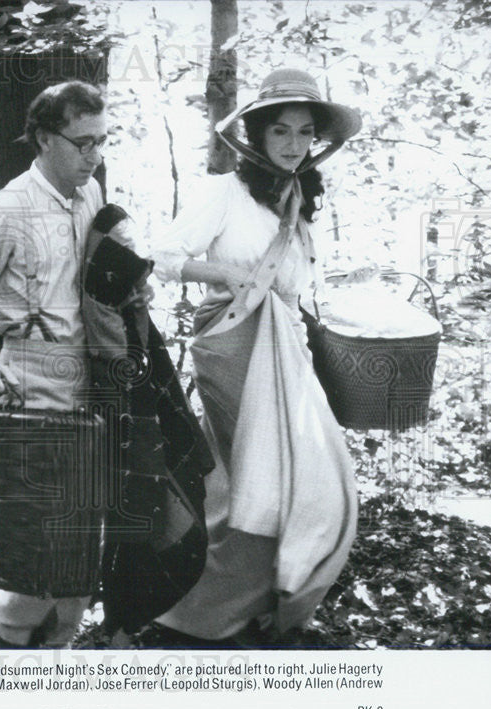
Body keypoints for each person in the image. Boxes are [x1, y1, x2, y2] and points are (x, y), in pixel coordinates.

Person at [147, 68, 362, 644]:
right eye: (281, 132)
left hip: (285, 346)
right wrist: (228, 274)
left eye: (304, 133)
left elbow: (294, 286)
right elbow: (163, 255)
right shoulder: (224, 192)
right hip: (233, 342)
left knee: (311, 480)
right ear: (259, 135)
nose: (294, 144)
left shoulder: (297, 197)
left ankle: (263, 600)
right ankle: (202, 617)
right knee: (253, 484)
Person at [0, 80, 107, 648]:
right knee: (35, 545)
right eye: (82, 144)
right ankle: (8, 651)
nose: (93, 156)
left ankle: (54, 658)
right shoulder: (6, 209)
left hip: (92, 382)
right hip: (29, 386)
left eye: (100, 142)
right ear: (42, 138)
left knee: (82, 545)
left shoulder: (91, 196)